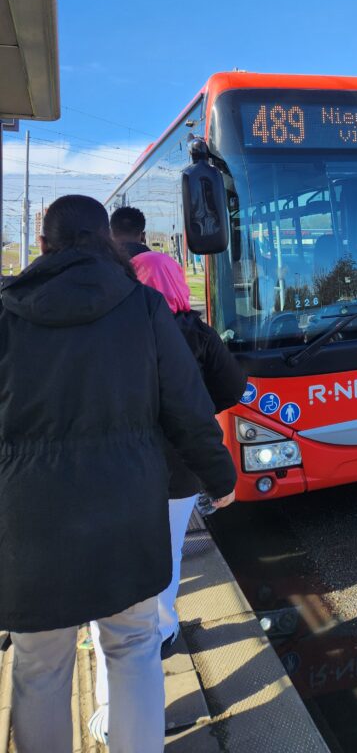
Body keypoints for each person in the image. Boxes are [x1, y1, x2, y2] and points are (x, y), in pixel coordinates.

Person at [0, 195, 237, 753]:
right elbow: (188, 409)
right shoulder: (144, 308)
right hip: (126, 511)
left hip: (29, 522)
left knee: (39, 667)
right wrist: (221, 478)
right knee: (133, 649)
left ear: (42, 245)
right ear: (107, 241)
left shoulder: (7, 312)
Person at [88, 248, 246, 743]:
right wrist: (199, 408)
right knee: (170, 550)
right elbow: (233, 387)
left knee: (120, 563)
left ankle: (124, 666)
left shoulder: (120, 330)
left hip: (127, 466)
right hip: (181, 467)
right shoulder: (197, 333)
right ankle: (164, 627)